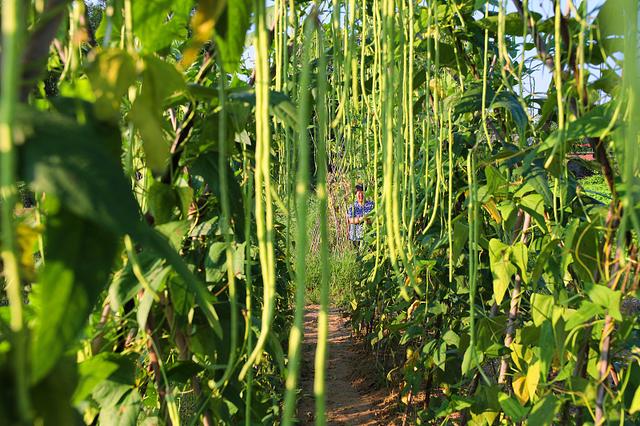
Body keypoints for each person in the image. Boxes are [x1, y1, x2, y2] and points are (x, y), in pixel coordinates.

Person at [346, 183, 374, 247]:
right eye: (359, 194)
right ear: (356, 195)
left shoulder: (371, 205)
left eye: (362, 193)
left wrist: (367, 220)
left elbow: (374, 218)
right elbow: (349, 220)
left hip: (369, 237)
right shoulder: (352, 206)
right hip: (355, 237)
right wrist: (360, 219)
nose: (361, 195)